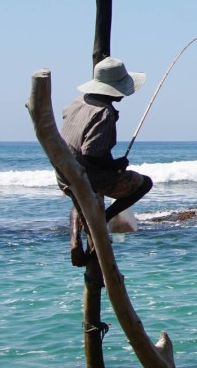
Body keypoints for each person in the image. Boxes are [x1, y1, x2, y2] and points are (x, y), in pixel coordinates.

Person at [59, 56, 154, 264]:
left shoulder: (77, 103)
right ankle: (104, 218)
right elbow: (92, 153)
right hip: (89, 176)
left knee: (80, 197)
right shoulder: (104, 114)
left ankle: (75, 241)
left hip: (66, 174)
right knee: (145, 183)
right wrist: (116, 166)